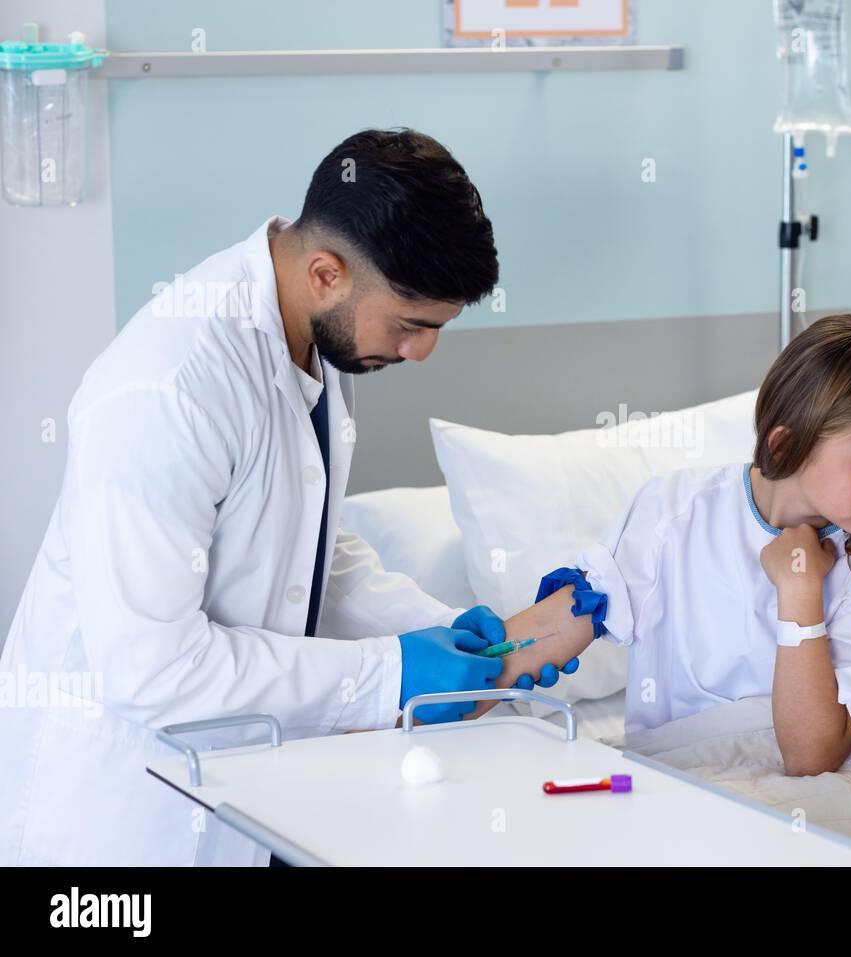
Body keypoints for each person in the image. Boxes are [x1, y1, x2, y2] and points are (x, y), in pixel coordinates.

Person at [0, 128, 576, 866]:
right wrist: (392, 671)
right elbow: (151, 669)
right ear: (328, 273)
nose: (422, 351)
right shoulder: (168, 388)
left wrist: (446, 631)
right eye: (411, 325)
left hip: (245, 792)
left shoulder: (313, 336)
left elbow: (309, 554)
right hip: (117, 824)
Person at [479, 315, 851, 775]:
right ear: (787, 446)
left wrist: (800, 592)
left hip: (814, 786)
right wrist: (436, 688)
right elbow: (552, 628)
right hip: (679, 773)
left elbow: (812, 758)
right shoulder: (674, 512)